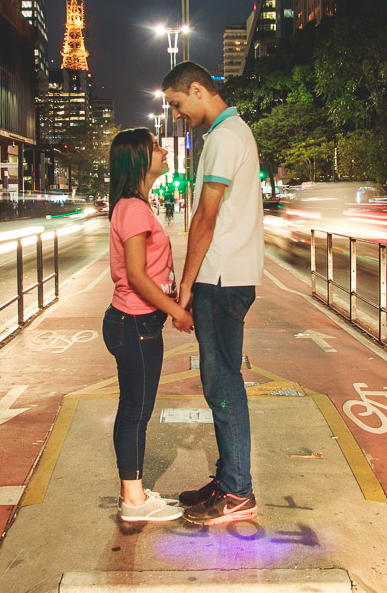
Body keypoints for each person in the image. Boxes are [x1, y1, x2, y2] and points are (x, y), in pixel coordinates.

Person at [163, 61, 264, 526]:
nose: (177, 113)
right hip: (226, 276)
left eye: (178, 104)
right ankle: (229, 481)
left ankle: (239, 494)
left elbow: (205, 216)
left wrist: (185, 283)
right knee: (220, 381)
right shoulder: (228, 133)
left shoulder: (225, 137)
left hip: (222, 279)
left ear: (199, 90)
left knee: (222, 384)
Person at [103, 127, 195, 523]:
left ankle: (135, 491)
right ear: (138, 159)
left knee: (133, 410)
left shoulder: (132, 205)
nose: (163, 151)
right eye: (155, 147)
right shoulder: (134, 208)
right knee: (136, 412)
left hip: (131, 321)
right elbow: (138, 276)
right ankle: (134, 502)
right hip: (136, 323)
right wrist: (176, 311)